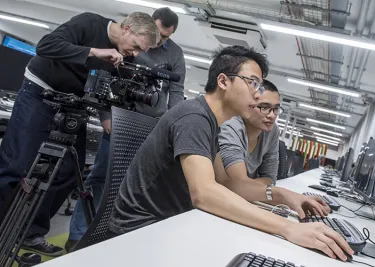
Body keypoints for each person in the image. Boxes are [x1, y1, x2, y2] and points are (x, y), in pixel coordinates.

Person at [108, 45, 354, 261]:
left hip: (171, 224)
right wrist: (287, 228)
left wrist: (282, 195)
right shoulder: (193, 117)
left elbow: (227, 184)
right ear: (224, 81)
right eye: (253, 83)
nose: (257, 94)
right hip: (139, 234)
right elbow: (204, 193)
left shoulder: (211, 123)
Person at [0, 12, 158, 256]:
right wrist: (94, 52)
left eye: (141, 51)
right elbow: (46, 46)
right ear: (126, 29)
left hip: (74, 105)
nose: (136, 53)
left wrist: (108, 119)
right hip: (40, 93)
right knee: (17, 164)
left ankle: (31, 233)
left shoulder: (122, 58)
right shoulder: (89, 23)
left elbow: (107, 91)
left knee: (67, 172)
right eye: (136, 46)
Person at [66, 7, 186, 251]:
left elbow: (176, 92)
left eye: (165, 38)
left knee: (132, 183)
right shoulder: (126, 42)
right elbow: (104, 76)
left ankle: (111, 237)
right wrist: (105, 116)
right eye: (158, 34)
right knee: (100, 177)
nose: (158, 42)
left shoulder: (175, 54)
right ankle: (78, 234)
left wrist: (171, 126)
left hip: (151, 127)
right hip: (119, 118)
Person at [216, 79, 331, 218]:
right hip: (214, 207)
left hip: (238, 202)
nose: (272, 115)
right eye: (264, 107)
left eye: (276, 109)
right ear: (249, 105)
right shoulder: (231, 127)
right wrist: (281, 195)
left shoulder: (271, 131)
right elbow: (239, 185)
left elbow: (269, 179)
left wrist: (250, 188)